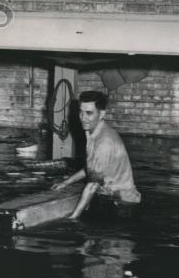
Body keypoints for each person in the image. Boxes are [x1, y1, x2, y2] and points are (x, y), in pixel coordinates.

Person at [51, 90, 141, 220]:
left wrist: (74, 217)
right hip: (111, 196)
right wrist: (66, 183)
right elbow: (90, 167)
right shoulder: (93, 132)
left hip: (123, 204)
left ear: (102, 114)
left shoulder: (105, 141)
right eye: (81, 112)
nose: (83, 118)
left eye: (89, 113)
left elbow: (92, 185)